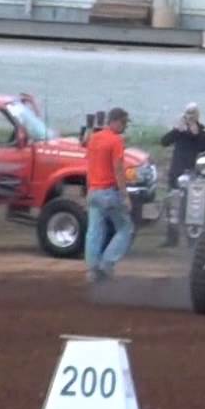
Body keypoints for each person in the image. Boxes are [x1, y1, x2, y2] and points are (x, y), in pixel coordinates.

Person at [85, 107, 134, 282]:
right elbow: (118, 169)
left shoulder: (93, 139)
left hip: (93, 190)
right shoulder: (115, 141)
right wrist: (125, 195)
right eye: (124, 123)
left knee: (94, 230)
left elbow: (89, 166)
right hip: (109, 192)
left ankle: (92, 269)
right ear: (116, 121)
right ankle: (107, 263)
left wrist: (88, 188)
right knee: (125, 228)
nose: (125, 127)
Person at [159, 102, 205, 247]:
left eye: (193, 113)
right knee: (173, 205)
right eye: (188, 113)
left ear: (197, 115)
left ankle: (193, 238)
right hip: (177, 171)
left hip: (195, 173)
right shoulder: (179, 130)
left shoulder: (203, 131)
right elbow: (164, 142)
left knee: (195, 205)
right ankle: (172, 238)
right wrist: (177, 130)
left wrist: (198, 133)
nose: (190, 116)